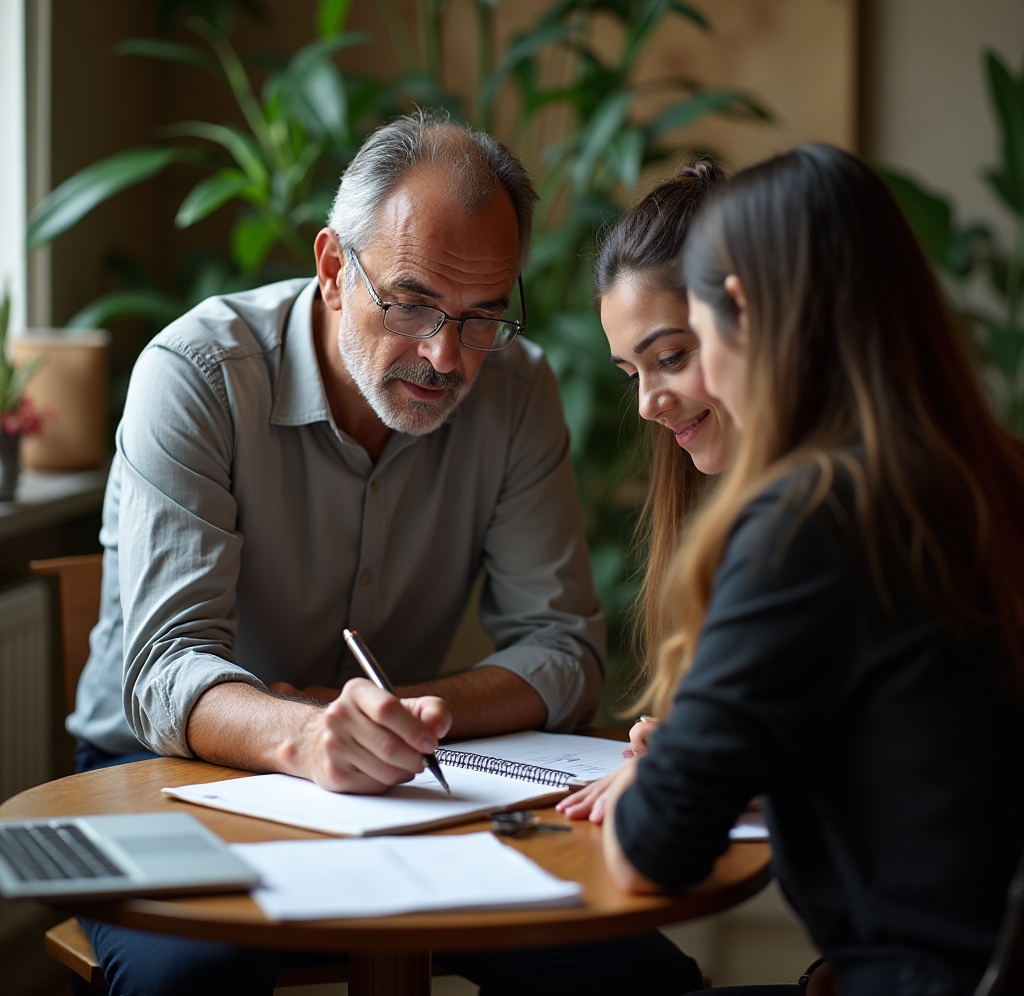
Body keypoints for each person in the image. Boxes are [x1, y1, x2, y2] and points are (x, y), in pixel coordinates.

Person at [68, 112, 700, 996]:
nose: (445, 356)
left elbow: (563, 653)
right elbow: (165, 670)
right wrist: (303, 736)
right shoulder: (197, 373)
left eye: (483, 317)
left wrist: (395, 716)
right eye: (411, 303)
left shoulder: (518, 391)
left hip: (402, 775)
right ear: (333, 270)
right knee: (188, 979)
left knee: (629, 978)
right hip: (158, 776)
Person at [600, 145, 1024, 995]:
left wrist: (663, 768)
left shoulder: (809, 518)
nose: (657, 400)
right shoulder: (983, 477)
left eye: (687, 347)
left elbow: (650, 850)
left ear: (744, 310)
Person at [555, 159, 735, 825]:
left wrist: (711, 763)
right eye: (631, 372)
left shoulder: (822, 519)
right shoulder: (729, 515)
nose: (647, 406)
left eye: (671, 358)